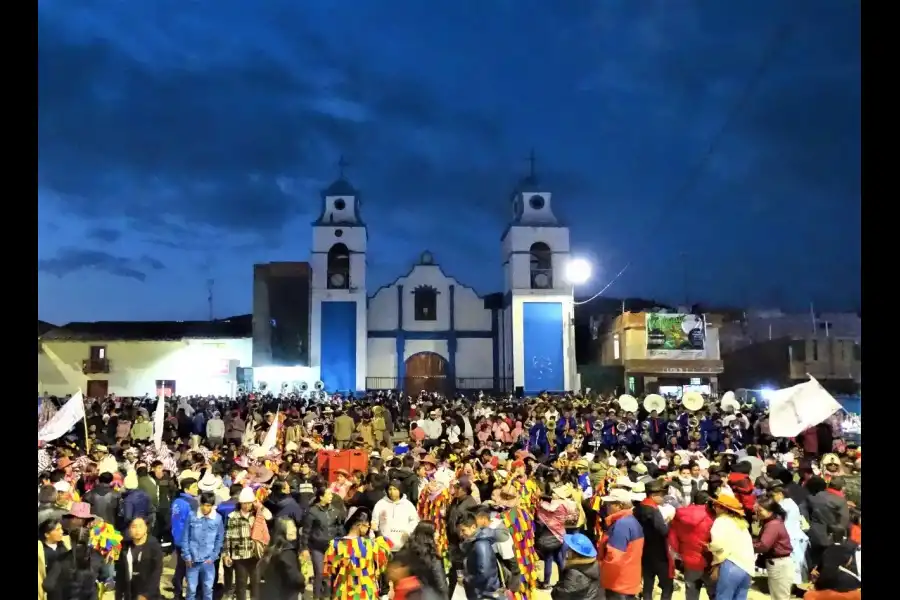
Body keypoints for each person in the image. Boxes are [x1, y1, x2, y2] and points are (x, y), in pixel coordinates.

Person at [667, 490, 715, 600]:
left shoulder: (680, 514)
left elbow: (673, 538)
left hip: (689, 560)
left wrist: (678, 556)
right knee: (714, 592)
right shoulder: (712, 517)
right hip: (708, 560)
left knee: (691, 592)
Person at [708, 491, 756, 600]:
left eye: (716, 505)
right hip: (747, 567)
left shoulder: (721, 521)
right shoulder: (742, 523)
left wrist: (709, 547)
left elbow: (718, 544)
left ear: (724, 509)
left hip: (731, 565)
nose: (714, 508)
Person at [597, 488, 644, 600]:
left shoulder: (621, 525)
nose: (606, 506)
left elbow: (614, 557)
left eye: (609, 504)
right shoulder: (631, 520)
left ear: (620, 505)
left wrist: (599, 570)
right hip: (628, 579)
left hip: (618, 583)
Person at [300, 486, 343, 600]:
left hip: (332, 548)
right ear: (321, 497)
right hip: (317, 548)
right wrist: (304, 548)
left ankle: (327, 596)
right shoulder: (313, 511)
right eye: (328, 494)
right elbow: (306, 531)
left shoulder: (335, 511)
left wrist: (341, 541)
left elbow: (339, 528)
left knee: (330, 574)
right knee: (319, 573)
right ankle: (316, 597)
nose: (331, 496)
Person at [633, 479, 673, 600]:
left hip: (644, 551)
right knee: (667, 587)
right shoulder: (653, 510)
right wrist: (669, 523)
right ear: (653, 495)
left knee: (648, 585)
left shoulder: (638, 508)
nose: (663, 498)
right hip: (659, 554)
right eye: (661, 495)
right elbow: (663, 531)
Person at [181, 492, 225, 600]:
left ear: (212, 506)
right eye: (203, 505)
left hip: (208, 561)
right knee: (191, 589)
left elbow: (219, 539)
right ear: (200, 504)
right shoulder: (192, 515)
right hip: (192, 560)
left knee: (208, 589)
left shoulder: (217, 519)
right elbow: (185, 536)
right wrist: (187, 556)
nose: (205, 508)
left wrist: (213, 556)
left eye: (208, 505)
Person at [754, 496, 795, 600]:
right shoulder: (771, 522)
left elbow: (763, 545)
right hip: (778, 563)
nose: (757, 513)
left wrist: (746, 545)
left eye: (760, 510)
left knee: (780, 597)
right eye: (756, 510)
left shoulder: (773, 524)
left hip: (779, 564)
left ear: (770, 511)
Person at [115, 516, 164, 600]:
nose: (137, 530)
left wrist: (146, 595)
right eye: (134, 526)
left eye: (140, 526)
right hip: (130, 593)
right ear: (129, 529)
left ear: (146, 528)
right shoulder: (125, 547)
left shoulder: (154, 546)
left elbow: (156, 572)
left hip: (149, 595)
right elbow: (120, 574)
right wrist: (118, 595)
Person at [458, 511, 504, 599]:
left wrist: (466, 580)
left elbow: (484, 573)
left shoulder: (481, 545)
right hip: (480, 591)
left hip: (485, 592)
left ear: (473, 527)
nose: (461, 534)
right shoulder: (474, 542)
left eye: (463, 530)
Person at [258, 518, 305, 600]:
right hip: (285, 595)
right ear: (282, 531)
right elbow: (294, 578)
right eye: (290, 527)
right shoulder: (287, 552)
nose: (294, 530)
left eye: (294, 526)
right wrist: (303, 581)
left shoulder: (271, 549)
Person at [170, 477, 200, 600]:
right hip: (188, 540)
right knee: (190, 569)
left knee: (180, 567)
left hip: (177, 538)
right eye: (194, 487)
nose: (197, 489)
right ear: (187, 489)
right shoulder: (192, 503)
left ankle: (177, 593)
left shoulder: (176, 501)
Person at [551, 532, 601, 600]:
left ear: (574, 553)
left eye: (569, 549)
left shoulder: (575, 574)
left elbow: (561, 595)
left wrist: (556, 589)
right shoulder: (595, 564)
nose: (567, 551)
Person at [372, 479, 419, 549]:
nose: (392, 492)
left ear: (400, 490)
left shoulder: (408, 505)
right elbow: (374, 522)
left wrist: (408, 533)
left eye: (395, 489)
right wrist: (373, 538)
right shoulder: (380, 504)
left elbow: (415, 522)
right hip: (383, 546)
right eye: (390, 489)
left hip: (402, 546)